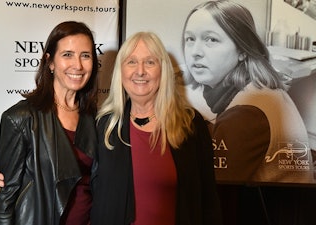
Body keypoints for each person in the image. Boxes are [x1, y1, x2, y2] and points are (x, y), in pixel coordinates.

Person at [90, 31, 222, 225]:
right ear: (121, 71)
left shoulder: (190, 124)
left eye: (150, 62)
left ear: (163, 70)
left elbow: (208, 200)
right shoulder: (105, 126)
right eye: (131, 62)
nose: (140, 71)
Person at [182, 0, 314, 184]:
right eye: (190, 39)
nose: (195, 52)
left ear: (243, 50)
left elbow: (207, 197)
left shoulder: (246, 115)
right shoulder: (257, 87)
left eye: (211, 39)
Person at [0, 21, 98, 225]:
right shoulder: (21, 118)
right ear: (50, 62)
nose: (77, 65)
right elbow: (6, 198)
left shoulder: (95, 118)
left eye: (85, 55)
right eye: (67, 54)